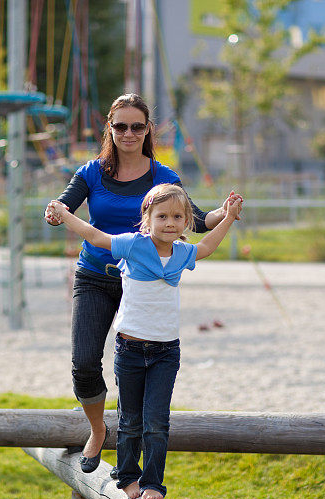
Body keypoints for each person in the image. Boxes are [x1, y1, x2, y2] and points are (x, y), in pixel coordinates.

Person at [43, 93, 241, 477]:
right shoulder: (91, 172)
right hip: (96, 278)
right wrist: (54, 212)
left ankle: (131, 447)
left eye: (137, 126)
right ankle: (99, 429)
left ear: (148, 129)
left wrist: (226, 211)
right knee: (84, 364)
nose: (129, 133)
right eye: (120, 126)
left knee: (134, 365)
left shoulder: (164, 177)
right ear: (110, 129)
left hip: (145, 284)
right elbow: (63, 207)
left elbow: (198, 222)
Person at [48, 183, 243, 499]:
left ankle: (153, 483)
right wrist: (66, 215)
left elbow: (207, 246)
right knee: (131, 420)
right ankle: (128, 476)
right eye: (162, 216)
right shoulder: (134, 246)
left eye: (177, 217)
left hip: (166, 352)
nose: (170, 222)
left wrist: (229, 217)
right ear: (147, 219)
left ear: (185, 223)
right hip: (130, 350)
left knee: (156, 421)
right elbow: (97, 237)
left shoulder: (181, 253)